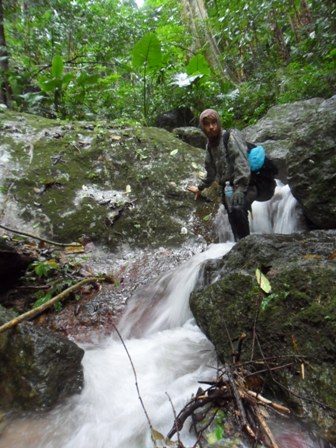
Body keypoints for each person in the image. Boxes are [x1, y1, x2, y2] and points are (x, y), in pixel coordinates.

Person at [188, 108, 258, 241]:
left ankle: (248, 246)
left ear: (219, 122)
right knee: (232, 216)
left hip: (246, 185)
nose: (211, 127)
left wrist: (240, 189)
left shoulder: (230, 137)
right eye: (207, 124)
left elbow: (241, 163)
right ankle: (239, 246)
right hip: (228, 189)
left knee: (238, 209)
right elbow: (211, 172)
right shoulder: (210, 146)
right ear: (202, 128)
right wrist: (200, 187)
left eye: (214, 122)